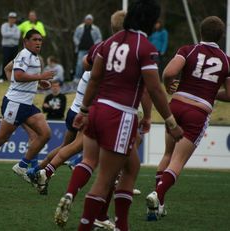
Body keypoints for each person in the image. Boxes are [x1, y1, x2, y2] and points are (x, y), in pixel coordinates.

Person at [73, 0, 183, 230]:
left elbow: (94, 78)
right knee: (105, 179)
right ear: (151, 21)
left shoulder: (109, 42)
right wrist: (171, 122)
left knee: (131, 167)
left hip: (97, 109)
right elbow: (153, 88)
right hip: (119, 115)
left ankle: (122, 225)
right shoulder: (145, 47)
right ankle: (86, 224)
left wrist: (83, 110)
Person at [146, 16, 230, 221]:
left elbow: (169, 73)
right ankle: (158, 194)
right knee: (178, 160)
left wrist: (169, 86)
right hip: (197, 113)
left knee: (167, 154)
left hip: (176, 106)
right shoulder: (226, 60)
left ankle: (157, 208)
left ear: (201, 32)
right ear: (221, 36)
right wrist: (211, 93)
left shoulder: (188, 50)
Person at [0, 29, 55, 184]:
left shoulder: (35, 58)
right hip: (15, 103)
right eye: (34, 39)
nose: (38, 42)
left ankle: (22, 166)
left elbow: (16, 74)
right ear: (25, 42)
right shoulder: (24, 55)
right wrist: (40, 77)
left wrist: (39, 83)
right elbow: (18, 75)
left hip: (26, 105)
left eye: (40, 40)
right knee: (1, 138)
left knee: (45, 134)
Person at [73, 14, 102, 82]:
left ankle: (92, 78)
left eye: (90, 19)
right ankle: (77, 78)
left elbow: (99, 38)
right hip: (82, 49)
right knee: (80, 64)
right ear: (85, 20)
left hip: (92, 50)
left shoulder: (96, 29)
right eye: (87, 19)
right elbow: (75, 37)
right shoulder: (79, 28)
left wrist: (95, 45)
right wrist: (78, 43)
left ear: (92, 21)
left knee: (92, 64)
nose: (88, 21)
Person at [0, 12, 21, 83]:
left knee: (14, 62)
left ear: (15, 19)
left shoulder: (17, 27)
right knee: (5, 61)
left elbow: (17, 37)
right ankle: (2, 77)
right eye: (10, 18)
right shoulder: (4, 26)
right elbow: (4, 34)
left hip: (14, 47)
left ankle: (12, 77)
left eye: (13, 18)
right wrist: (12, 34)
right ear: (8, 18)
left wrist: (9, 34)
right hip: (6, 47)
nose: (12, 19)